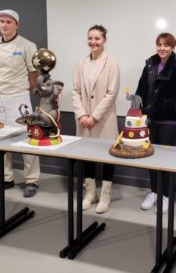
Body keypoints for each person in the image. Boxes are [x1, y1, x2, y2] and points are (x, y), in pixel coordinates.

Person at [135, 33, 176, 214]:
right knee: (151, 157)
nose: (162, 48)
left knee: (167, 160)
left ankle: (166, 196)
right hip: (150, 121)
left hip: (169, 122)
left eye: (166, 45)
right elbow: (141, 90)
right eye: (159, 44)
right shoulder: (149, 66)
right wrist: (138, 107)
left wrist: (166, 107)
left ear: (173, 48)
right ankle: (154, 192)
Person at [0, 9, 40, 198]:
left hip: (19, 97)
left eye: (9, 21)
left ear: (17, 25)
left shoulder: (27, 45)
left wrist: (25, 92)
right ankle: (5, 178)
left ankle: (32, 180)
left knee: (27, 138)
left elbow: (34, 73)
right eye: (1, 21)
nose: (4, 25)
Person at [72, 25, 120, 213]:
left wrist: (94, 117)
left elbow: (112, 93)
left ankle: (105, 196)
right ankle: (90, 194)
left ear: (104, 40)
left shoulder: (112, 62)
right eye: (90, 38)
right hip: (84, 120)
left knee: (108, 156)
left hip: (104, 119)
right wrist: (82, 114)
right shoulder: (81, 63)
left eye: (97, 38)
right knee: (87, 157)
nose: (93, 42)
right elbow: (75, 91)